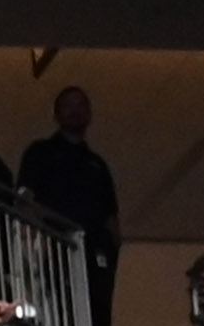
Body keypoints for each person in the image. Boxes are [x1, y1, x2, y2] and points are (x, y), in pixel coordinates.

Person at [7, 84, 122, 306]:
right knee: (61, 308)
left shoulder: (96, 164)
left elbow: (111, 216)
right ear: (57, 114)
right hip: (55, 249)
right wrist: (35, 243)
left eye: (81, 105)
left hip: (94, 253)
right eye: (68, 106)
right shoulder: (40, 153)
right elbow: (26, 198)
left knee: (98, 313)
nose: (75, 111)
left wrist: (113, 250)